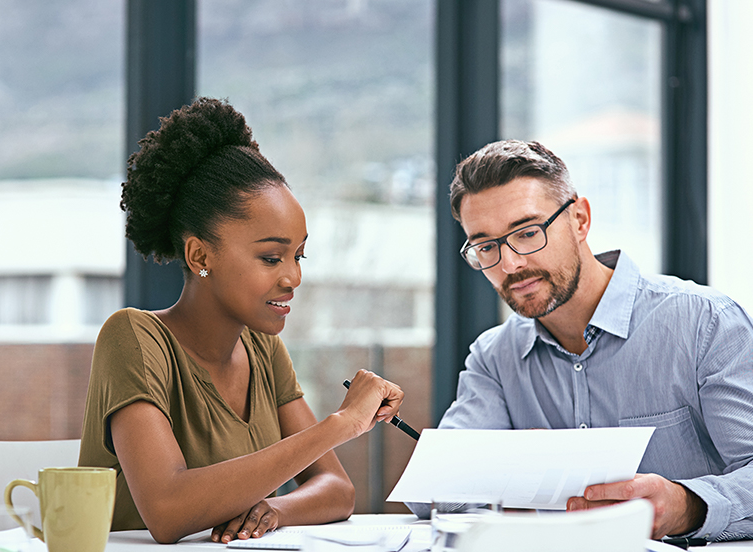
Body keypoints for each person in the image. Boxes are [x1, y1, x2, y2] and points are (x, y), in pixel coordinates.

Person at [78, 98, 404, 545]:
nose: (294, 277)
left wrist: (273, 510)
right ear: (200, 255)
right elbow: (167, 510)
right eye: (271, 257)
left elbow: (337, 490)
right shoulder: (133, 338)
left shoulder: (263, 349)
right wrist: (342, 424)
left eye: (298, 255)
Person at [423, 139, 753, 541]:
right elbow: (432, 493)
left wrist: (687, 505)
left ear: (579, 219)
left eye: (527, 233)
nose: (510, 264)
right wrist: (519, 463)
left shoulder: (705, 323)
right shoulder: (494, 358)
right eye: (486, 246)